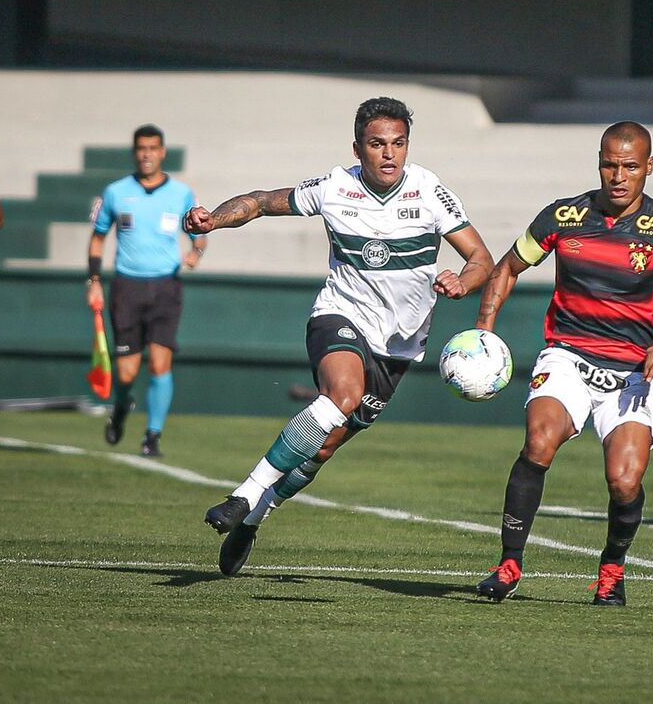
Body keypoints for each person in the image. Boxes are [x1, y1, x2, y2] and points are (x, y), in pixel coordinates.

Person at [186, 97, 493, 576]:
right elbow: (262, 202)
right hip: (340, 315)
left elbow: (481, 258)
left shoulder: (430, 191)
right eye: (377, 144)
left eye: (398, 144)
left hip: (398, 349)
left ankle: (255, 516)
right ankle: (242, 494)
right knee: (342, 394)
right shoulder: (335, 187)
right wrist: (214, 220)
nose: (389, 154)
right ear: (358, 148)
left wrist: (463, 280)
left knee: (323, 448)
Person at [474, 122, 653, 606]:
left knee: (625, 480)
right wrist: (484, 328)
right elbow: (508, 267)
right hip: (568, 356)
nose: (619, 176)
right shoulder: (564, 215)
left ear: (649, 167)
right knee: (539, 440)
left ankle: (612, 570)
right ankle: (509, 564)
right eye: (610, 164)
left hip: (632, 373)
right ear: (598, 162)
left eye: (631, 166)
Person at [86, 124, 204, 457]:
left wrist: (196, 253)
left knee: (160, 364)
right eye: (141, 148)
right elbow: (97, 237)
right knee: (126, 371)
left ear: (162, 152)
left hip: (166, 286)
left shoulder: (181, 194)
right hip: (127, 287)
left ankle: (152, 436)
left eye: (153, 148)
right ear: (135, 152)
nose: (147, 154)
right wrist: (93, 280)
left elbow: (200, 234)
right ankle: (122, 406)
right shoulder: (115, 192)